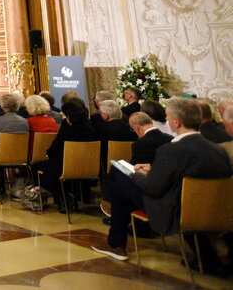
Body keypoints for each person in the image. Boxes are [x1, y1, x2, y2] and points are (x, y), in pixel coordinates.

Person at [92, 99, 232, 262]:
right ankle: (205, 257)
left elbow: (153, 189)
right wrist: (154, 170)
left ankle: (116, 244)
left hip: (175, 211)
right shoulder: (218, 150)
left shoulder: (171, 150)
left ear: (176, 121)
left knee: (119, 183)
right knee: (122, 186)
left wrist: (134, 175)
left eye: (168, 117)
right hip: (213, 210)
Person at [27, 100, 98, 210]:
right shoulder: (90, 125)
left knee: (36, 168)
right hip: (90, 165)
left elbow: (57, 145)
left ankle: (63, 196)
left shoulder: (67, 126)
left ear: (68, 116)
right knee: (51, 168)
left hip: (67, 164)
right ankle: (67, 196)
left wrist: (48, 154)